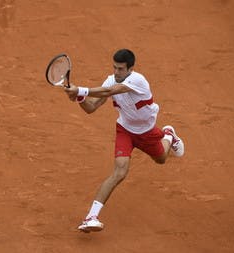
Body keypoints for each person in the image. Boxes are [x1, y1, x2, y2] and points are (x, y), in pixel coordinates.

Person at [64, 49, 184, 233]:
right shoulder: (111, 79)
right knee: (120, 172)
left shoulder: (138, 80)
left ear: (130, 69)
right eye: (114, 67)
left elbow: (111, 91)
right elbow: (91, 108)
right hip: (125, 131)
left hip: (147, 132)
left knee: (161, 159)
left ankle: (168, 134)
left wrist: (80, 89)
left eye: (120, 69)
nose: (116, 72)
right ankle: (91, 217)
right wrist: (79, 98)